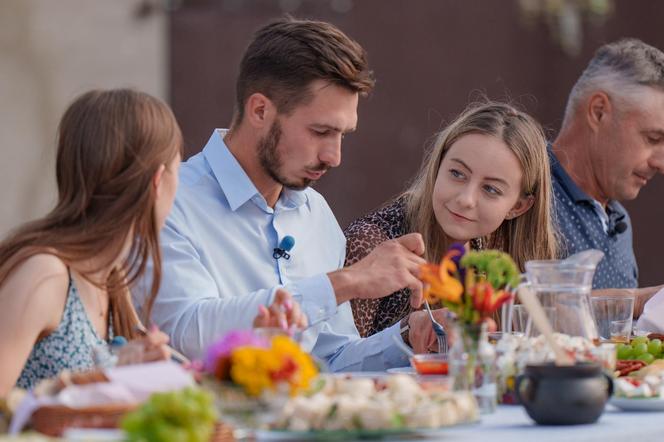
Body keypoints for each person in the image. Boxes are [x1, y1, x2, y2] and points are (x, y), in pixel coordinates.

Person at [134, 17, 447, 371]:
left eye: (344, 134)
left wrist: (407, 336)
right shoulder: (170, 202)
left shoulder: (316, 212)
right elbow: (186, 333)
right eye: (320, 131)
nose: (335, 156)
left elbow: (329, 361)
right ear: (260, 110)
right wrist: (347, 283)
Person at [0, 89, 302, 396]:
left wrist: (257, 349)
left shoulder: (113, 277)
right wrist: (109, 377)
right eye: (177, 166)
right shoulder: (46, 275)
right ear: (158, 181)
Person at [346, 102, 559, 337]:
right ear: (438, 166)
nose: (466, 199)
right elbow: (335, 361)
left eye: (490, 189)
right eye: (457, 174)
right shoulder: (373, 242)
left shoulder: (497, 255)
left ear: (518, 207)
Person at [550, 38, 664, 315]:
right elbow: (499, 312)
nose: (661, 163)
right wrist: (636, 302)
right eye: (653, 138)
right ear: (598, 111)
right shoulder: (519, 188)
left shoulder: (619, 218)